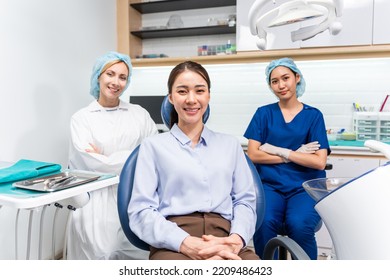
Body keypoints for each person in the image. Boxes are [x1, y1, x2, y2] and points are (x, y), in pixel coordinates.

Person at [128, 61, 259, 260]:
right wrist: (184, 242)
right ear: (171, 98)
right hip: (173, 241)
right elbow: (141, 210)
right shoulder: (153, 147)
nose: (191, 99)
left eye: (199, 90)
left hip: (225, 237)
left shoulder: (230, 145)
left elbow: (245, 201)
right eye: (182, 91)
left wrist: (236, 240)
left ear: (208, 96)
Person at [66, 51, 158, 259]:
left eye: (122, 77)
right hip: (95, 199)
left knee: (139, 255)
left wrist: (106, 157)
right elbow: (90, 163)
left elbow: (152, 154)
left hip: (133, 195)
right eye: (110, 74)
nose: (116, 82)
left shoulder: (139, 114)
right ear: (98, 76)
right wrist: (134, 155)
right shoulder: (81, 119)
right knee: (100, 254)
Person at [244, 57, 330, 260]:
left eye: (285, 78)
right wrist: (294, 155)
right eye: (274, 81)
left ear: (297, 78)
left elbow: (319, 161)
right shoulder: (263, 114)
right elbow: (254, 154)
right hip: (270, 187)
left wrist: (280, 151)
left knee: (299, 224)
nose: (281, 85)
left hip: (304, 188)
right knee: (263, 224)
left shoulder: (313, 116)